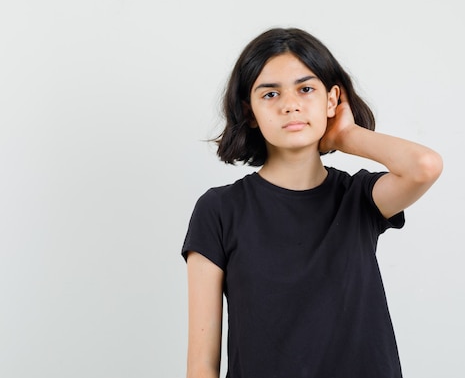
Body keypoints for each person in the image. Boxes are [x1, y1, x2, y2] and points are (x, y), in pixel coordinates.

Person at [181, 27, 443, 378]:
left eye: (306, 89)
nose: (291, 105)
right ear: (250, 111)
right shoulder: (219, 209)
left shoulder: (359, 199)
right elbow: (201, 365)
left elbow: (424, 167)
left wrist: (348, 135)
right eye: (270, 94)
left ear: (332, 100)